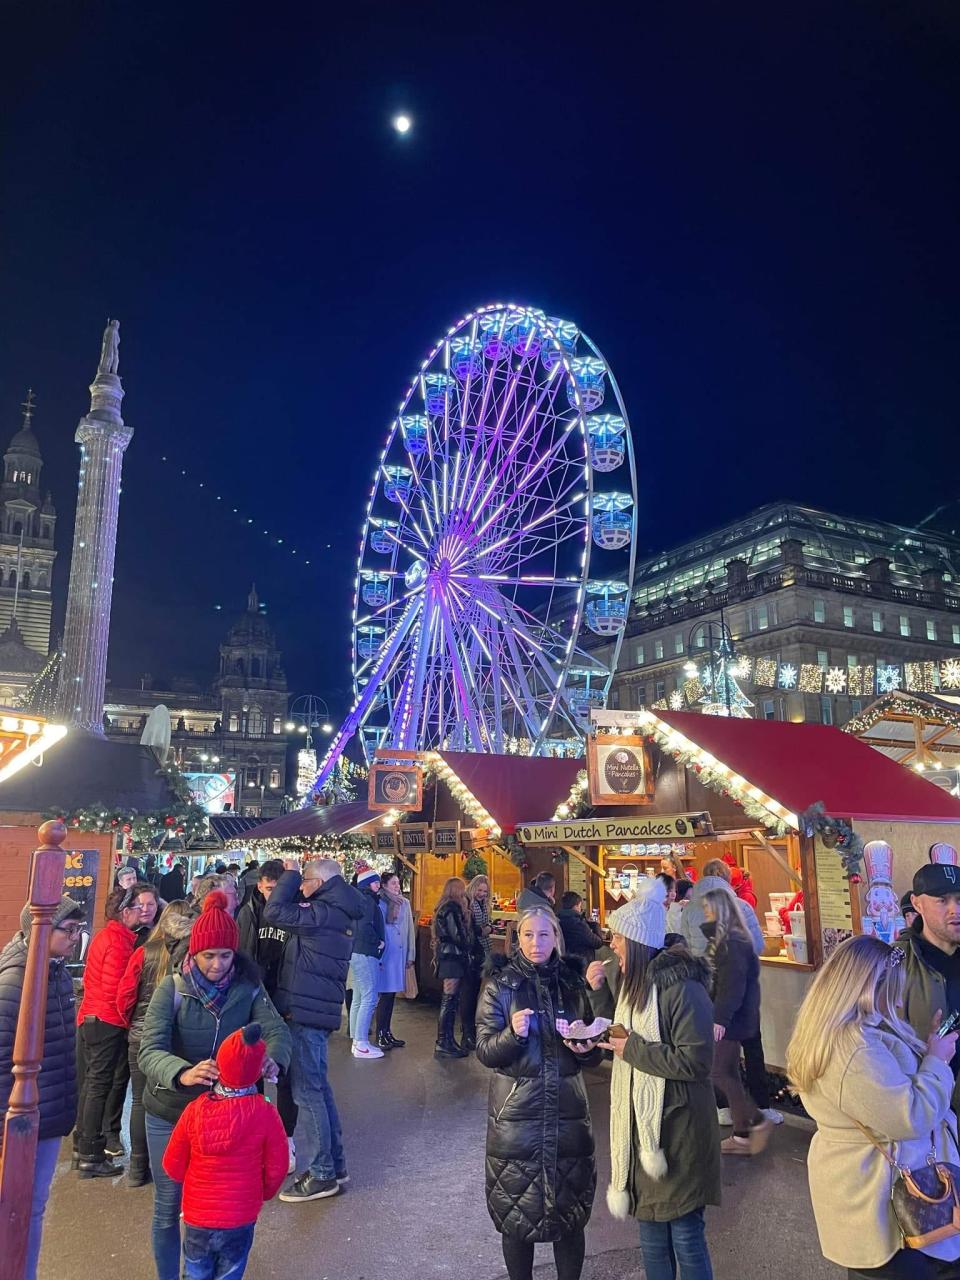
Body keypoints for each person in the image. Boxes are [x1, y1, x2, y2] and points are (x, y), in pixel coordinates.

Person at [788, 934, 960, 1278]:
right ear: (869, 987)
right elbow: (909, 1115)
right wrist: (938, 1061)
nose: (899, 1000)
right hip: (888, 1205)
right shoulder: (855, 1049)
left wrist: (927, 1050)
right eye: (894, 988)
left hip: (871, 1193)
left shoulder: (846, 1033)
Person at [138, 890, 291, 1280]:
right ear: (195, 953)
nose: (217, 964)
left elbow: (276, 1030)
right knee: (168, 1207)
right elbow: (149, 1050)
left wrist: (273, 1057)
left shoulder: (249, 987)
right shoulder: (171, 990)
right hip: (172, 1112)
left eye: (225, 956)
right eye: (209, 956)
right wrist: (182, 1072)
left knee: (224, 1207)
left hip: (231, 1118)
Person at [586, 877, 719, 1280]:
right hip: (644, 1130)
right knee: (651, 1238)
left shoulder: (681, 986)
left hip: (678, 1130)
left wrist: (633, 1050)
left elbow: (696, 1061)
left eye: (618, 939)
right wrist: (597, 997)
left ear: (638, 942)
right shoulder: (632, 985)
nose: (612, 947)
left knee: (684, 1235)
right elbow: (625, 1034)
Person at [477, 907, 599, 1280]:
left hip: (568, 1114)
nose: (536, 943)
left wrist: (586, 1045)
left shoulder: (573, 984)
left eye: (544, 935)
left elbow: (594, 1047)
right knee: (517, 1216)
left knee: (570, 1214)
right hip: (516, 1121)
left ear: (556, 938)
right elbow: (485, 1050)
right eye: (528, 935)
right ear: (518, 939)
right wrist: (512, 1034)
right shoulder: (500, 986)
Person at [264, 857, 365, 1203]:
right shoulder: (337, 911)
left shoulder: (322, 914)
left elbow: (274, 912)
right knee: (318, 1090)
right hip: (315, 1010)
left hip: (305, 1012)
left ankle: (322, 1174)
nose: (301, 888)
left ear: (319, 883)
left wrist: (289, 873)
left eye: (305, 881)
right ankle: (334, 1165)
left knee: (307, 1093)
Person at [163, 1023, 289, 1280]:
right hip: (241, 1215)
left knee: (196, 1271)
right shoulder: (266, 1113)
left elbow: (172, 1165)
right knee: (230, 1273)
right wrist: (262, 1192)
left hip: (198, 1216)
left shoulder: (194, 1110)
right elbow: (278, 1166)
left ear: (219, 1065)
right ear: (257, 1072)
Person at [0, 896, 84, 1278]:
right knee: (19, 1208)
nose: (76, 938)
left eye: (78, 930)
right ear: (41, 930)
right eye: (69, 930)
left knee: (32, 1206)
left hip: (48, 1111)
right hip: (23, 1120)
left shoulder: (55, 970)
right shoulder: (17, 979)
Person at [682, 858, 782, 1127]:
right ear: (727, 878)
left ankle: (723, 1108)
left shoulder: (689, 909)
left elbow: (688, 948)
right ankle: (761, 1105)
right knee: (751, 1044)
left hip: (706, 988)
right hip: (742, 988)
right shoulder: (741, 906)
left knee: (717, 1050)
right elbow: (758, 946)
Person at [116, 900, 195, 1186]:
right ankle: (174, 1168)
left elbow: (124, 996)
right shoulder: (192, 957)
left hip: (139, 1037)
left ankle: (138, 1168)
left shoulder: (143, 952)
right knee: (174, 1105)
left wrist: (131, 1024)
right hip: (176, 1043)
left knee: (140, 1101)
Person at [75, 882, 152, 1176]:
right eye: (135, 907)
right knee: (98, 1086)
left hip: (92, 1016)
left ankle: (81, 1147)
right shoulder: (119, 942)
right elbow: (120, 989)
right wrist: (126, 1017)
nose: (140, 912)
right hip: (107, 1020)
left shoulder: (106, 936)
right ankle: (92, 1155)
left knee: (91, 1085)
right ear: (124, 912)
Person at [700, 888, 771, 1156]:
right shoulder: (730, 939)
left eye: (709, 908)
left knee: (719, 1070)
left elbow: (732, 985)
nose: (705, 913)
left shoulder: (732, 943)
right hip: (738, 1015)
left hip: (733, 1018)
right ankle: (743, 1132)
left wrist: (720, 1018)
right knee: (726, 1071)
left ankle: (752, 1123)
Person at [101, 881, 161, 1161]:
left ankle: (141, 1147)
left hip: (138, 1018)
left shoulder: (156, 934)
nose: (146, 909)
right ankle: (110, 1133)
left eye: (151, 904)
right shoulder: (126, 936)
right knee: (117, 1078)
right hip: (124, 1017)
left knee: (138, 1085)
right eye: (142, 905)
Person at [897, 863, 960, 1115]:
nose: (955, 910)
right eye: (942, 900)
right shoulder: (894, 962)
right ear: (917, 903)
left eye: (959, 899)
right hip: (927, 1107)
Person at [432, 876, 474, 1059]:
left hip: (448, 956)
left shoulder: (444, 907)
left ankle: (447, 1040)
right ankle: (443, 1042)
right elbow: (458, 935)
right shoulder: (452, 909)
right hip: (453, 957)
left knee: (450, 1000)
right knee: (449, 1000)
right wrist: (468, 945)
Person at [348, 863, 386, 1059]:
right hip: (366, 951)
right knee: (370, 996)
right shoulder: (369, 901)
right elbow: (364, 926)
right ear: (368, 884)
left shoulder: (357, 899)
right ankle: (361, 1043)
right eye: (375, 882)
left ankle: (356, 1038)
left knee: (359, 995)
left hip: (355, 950)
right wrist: (378, 942)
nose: (378, 885)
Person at [375, 870, 416, 1051]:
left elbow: (409, 930)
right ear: (384, 886)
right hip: (386, 955)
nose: (397, 887)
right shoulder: (379, 903)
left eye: (398, 883)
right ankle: (380, 1033)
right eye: (393, 884)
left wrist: (410, 955)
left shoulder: (405, 903)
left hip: (399, 954)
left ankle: (387, 1031)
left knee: (391, 995)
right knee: (385, 994)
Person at [460, 874, 493, 1049]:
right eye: (479, 890)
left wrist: (487, 928)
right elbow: (472, 931)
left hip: (481, 954)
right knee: (468, 995)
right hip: (471, 955)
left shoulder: (482, 905)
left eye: (485, 891)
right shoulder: (468, 905)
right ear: (472, 888)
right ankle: (467, 1034)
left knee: (474, 994)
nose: (482, 894)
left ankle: (470, 1032)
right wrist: (485, 930)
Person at [557, 891, 605, 965]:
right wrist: (595, 924)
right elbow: (597, 942)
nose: (580, 909)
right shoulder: (577, 924)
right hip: (580, 964)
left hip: (564, 961)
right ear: (576, 906)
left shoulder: (557, 919)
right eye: (580, 906)